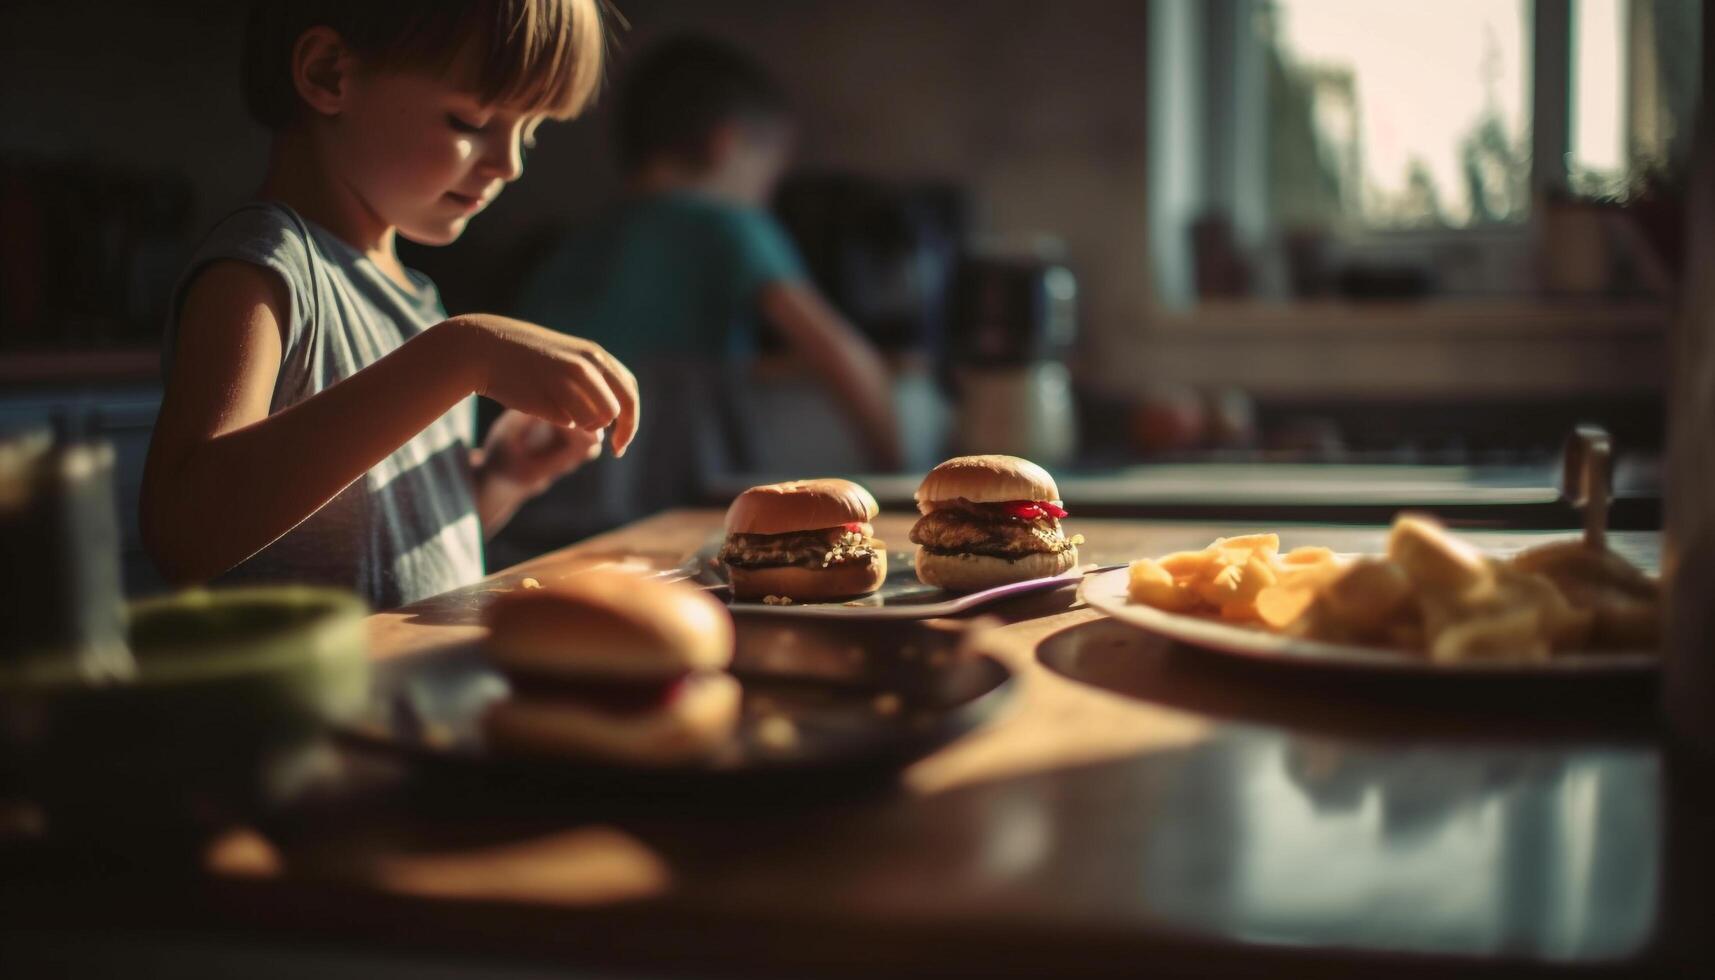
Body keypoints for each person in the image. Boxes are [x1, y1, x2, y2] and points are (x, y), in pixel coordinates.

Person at [140, 0, 637, 610]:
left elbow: (391, 548)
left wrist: (498, 480)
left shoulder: (421, 303)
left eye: (529, 131)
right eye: (468, 122)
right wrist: (462, 355)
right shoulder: (264, 265)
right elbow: (184, 534)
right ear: (329, 75)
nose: (509, 164)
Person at [512, 34, 902, 472]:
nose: (765, 197)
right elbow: (848, 361)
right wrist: (899, 476)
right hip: (669, 500)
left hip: (548, 495)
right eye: (769, 176)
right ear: (726, 143)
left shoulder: (571, 244)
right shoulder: (731, 227)